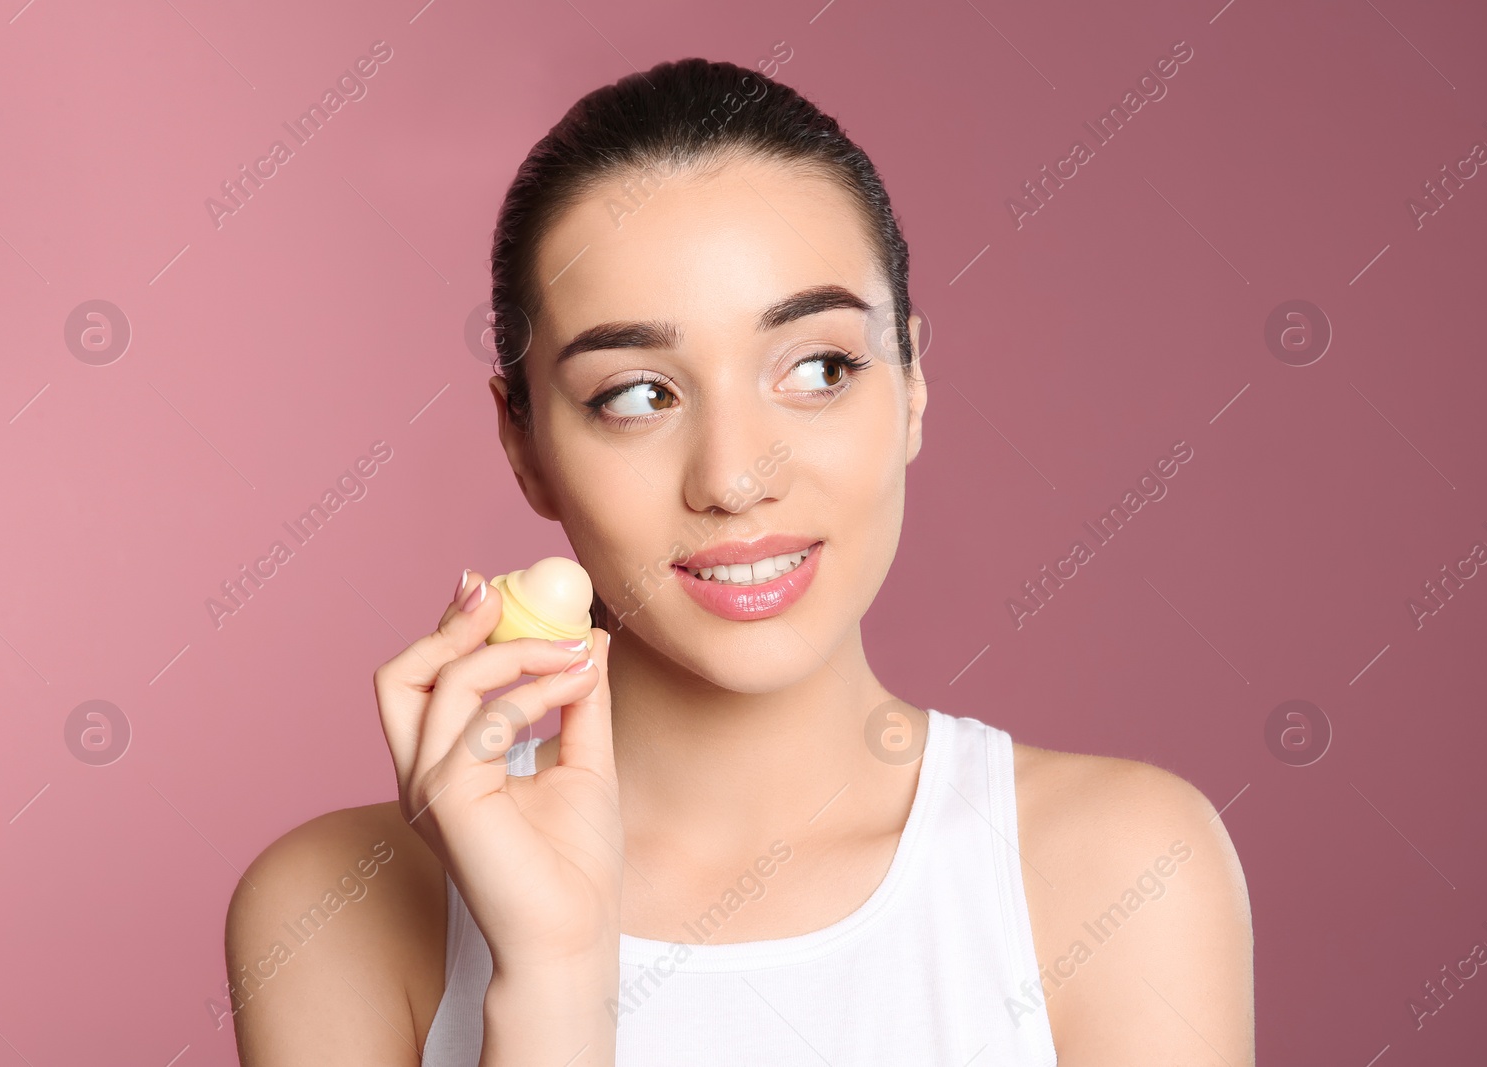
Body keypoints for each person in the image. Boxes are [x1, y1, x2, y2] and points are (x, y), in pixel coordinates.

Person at [224, 57, 1254, 1066]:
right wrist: (553, 977)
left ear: (912, 390)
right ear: (525, 444)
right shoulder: (335, 906)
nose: (734, 476)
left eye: (817, 367)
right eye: (636, 394)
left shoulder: (1123, 868)